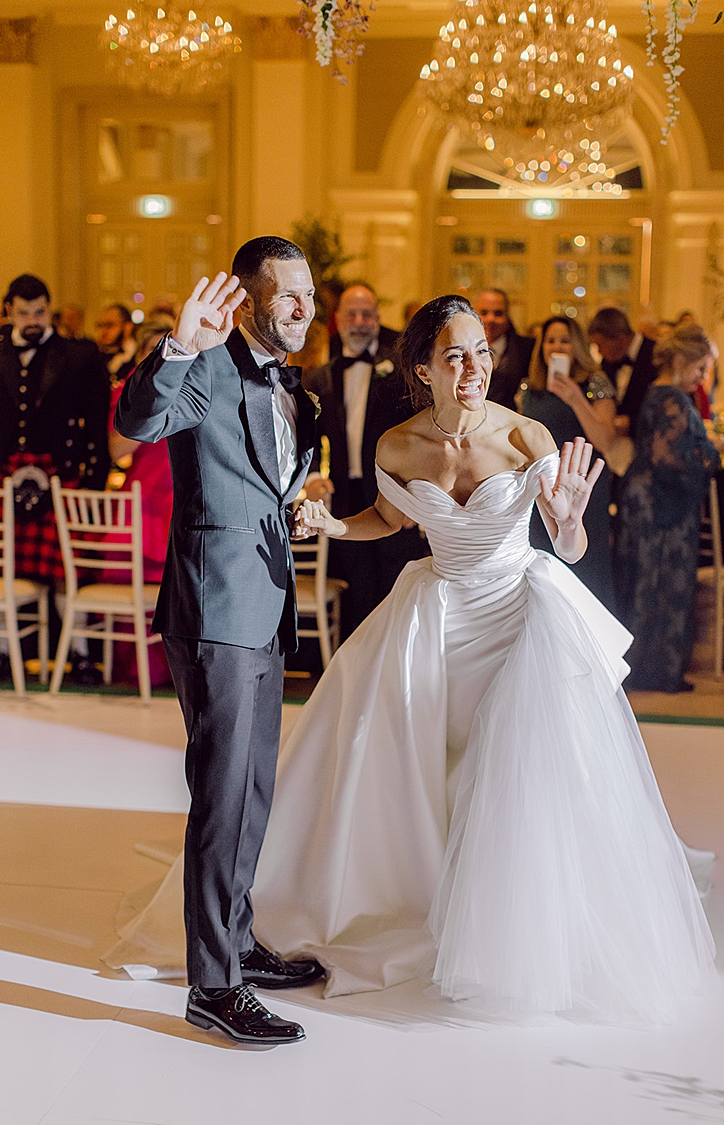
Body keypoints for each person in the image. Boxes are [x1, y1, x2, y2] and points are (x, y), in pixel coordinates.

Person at [248, 295, 716, 1024]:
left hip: (517, 611)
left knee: (515, 765)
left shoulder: (530, 435)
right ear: (424, 369)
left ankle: (515, 926)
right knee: (414, 759)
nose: (473, 369)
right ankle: (423, 896)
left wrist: (566, 525)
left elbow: (570, 542)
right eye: (455, 355)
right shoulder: (397, 445)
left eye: (483, 353)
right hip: (436, 613)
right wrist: (334, 523)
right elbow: (393, 516)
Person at [114, 238, 325, 1047]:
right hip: (214, 609)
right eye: (288, 296)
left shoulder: (285, 383)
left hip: (266, 605)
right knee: (222, 795)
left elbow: (263, 477)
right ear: (247, 298)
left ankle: (237, 941)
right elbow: (138, 422)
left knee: (252, 791)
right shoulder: (204, 360)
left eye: (311, 293)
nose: (305, 307)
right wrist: (177, 347)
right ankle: (213, 986)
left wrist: (299, 501)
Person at [0, 273, 110, 685]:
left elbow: (96, 425)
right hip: (3, 477)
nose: (33, 319)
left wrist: (95, 482)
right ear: (8, 311)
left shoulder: (80, 356)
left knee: (68, 571)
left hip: (63, 476)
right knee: (2, 568)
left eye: (39, 311)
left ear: (48, 309)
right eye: (24, 312)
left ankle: (80, 655)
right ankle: (1, 654)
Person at [305, 282, 430, 636]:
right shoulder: (321, 375)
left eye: (367, 314)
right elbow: (309, 440)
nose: (360, 322)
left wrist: (415, 497)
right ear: (338, 320)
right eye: (352, 314)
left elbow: (420, 436)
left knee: (398, 589)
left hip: (395, 497)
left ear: (377, 319)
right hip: (346, 499)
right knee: (357, 595)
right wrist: (313, 477)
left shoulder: (402, 371)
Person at [615, 325, 721, 693]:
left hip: (648, 498)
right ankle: (652, 672)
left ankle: (648, 668)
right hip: (659, 505)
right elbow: (669, 456)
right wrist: (712, 453)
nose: (703, 377)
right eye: (701, 368)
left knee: (648, 581)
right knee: (657, 582)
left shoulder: (660, 395)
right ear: (681, 360)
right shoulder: (671, 399)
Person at [521, 316, 618, 608]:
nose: (557, 346)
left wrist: (576, 398)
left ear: (577, 345)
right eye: (551, 340)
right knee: (544, 562)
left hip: (583, 486)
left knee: (587, 562)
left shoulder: (594, 381)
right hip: (542, 488)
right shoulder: (530, 387)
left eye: (565, 340)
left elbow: (606, 440)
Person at [103, 316, 176, 687]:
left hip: (183, 497)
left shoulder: (193, 386)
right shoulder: (128, 392)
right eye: (154, 352)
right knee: (134, 590)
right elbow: (117, 451)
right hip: (144, 498)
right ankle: (137, 674)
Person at [588, 307, 656, 437]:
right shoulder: (607, 362)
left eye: (600, 344)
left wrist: (633, 422)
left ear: (621, 338)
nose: (599, 351)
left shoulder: (656, 355)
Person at [473, 288, 533, 410]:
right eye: (484, 312)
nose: (491, 319)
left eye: (498, 313)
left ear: (508, 315)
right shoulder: (458, 349)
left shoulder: (528, 350)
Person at [95, 303, 137, 385]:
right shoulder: (96, 356)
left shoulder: (138, 357)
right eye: (100, 325)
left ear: (127, 327)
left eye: (110, 325)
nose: (103, 331)